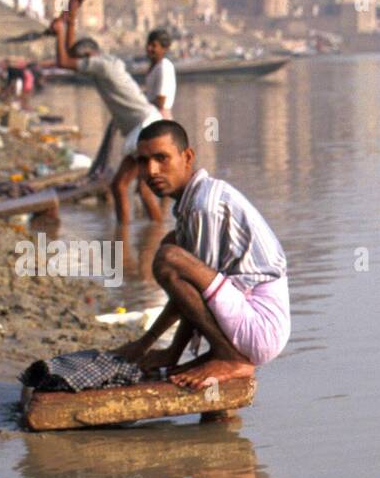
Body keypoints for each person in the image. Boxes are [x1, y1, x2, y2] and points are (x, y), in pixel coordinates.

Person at [115, 120, 290, 390]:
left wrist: (150, 342)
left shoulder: (202, 206)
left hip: (260, 326)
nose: (151, 171)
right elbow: (192, 292)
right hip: (247, 319)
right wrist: (156, 346)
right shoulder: (194, 203)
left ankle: (230, 358)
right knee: (171, 246)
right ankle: (223, 357)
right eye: (144, 161)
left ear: (187, 157)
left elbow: (194, 291)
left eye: (161, 158)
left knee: (169, 258)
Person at [48, 8, 162, 223]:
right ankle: (154, 235)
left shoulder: (101, 66)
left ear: (90, 56)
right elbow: (71, 57)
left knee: (120, 186)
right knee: (143, 190)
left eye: (82, 62)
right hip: (148, 123)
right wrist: (69, 23)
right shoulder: (108, 61)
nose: (81, 67)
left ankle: (124, 243)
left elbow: (64, 62)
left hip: (143, 127)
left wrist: (60, 31)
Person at [143, 28, 176, 119]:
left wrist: (139, 105)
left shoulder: (164, 67)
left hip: (159, 118)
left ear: (164, 48)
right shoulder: (155, 66)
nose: (149, 48)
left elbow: (161, 101)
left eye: (154, 45)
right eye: (148, 44)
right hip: (150, 116)